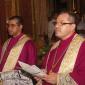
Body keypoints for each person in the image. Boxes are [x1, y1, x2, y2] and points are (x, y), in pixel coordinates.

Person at [35, 11, 85, 85]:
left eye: (62, 23)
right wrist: (42, 75)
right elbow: (46, 66)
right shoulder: (55, 46)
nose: (56, 26)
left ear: (73, 26)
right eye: (56, 23)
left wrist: (59, 79)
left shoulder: (82, 46)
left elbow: (82, 76)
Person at [0, 16, 37, 85]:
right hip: (3, 79)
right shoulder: (7, 42)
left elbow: (31, 65)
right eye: (8, 25)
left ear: (20, 26)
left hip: (18, 80)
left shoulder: (27, 43)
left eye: (12, 25)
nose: (9, 28)